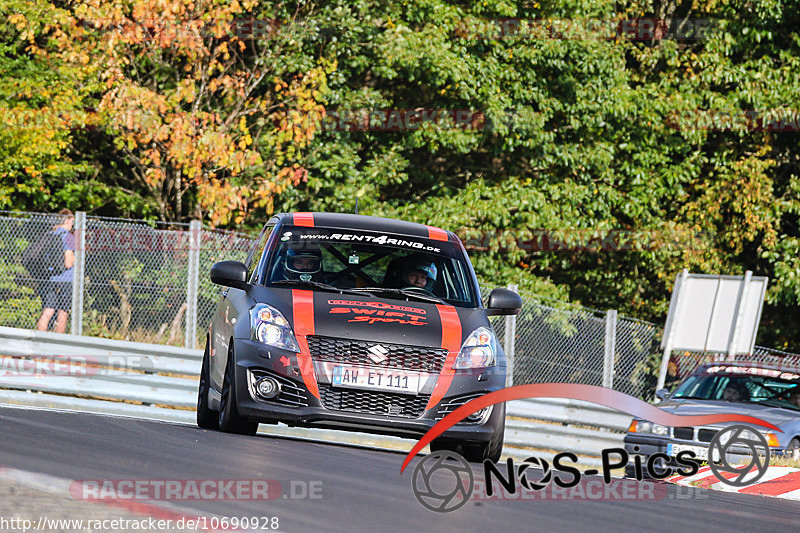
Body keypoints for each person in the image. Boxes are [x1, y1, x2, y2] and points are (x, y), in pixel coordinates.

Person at [35, 209, 75, 333]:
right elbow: (68, 263)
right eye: (72, 221)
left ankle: (39, 340)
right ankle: (57, 347)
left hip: (50, 278)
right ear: (67, 220)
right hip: (65, 280)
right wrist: (76, 257)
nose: (72, 224)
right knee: (62, 312)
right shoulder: (69, 237)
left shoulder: (49, 234)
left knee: (48, 310)